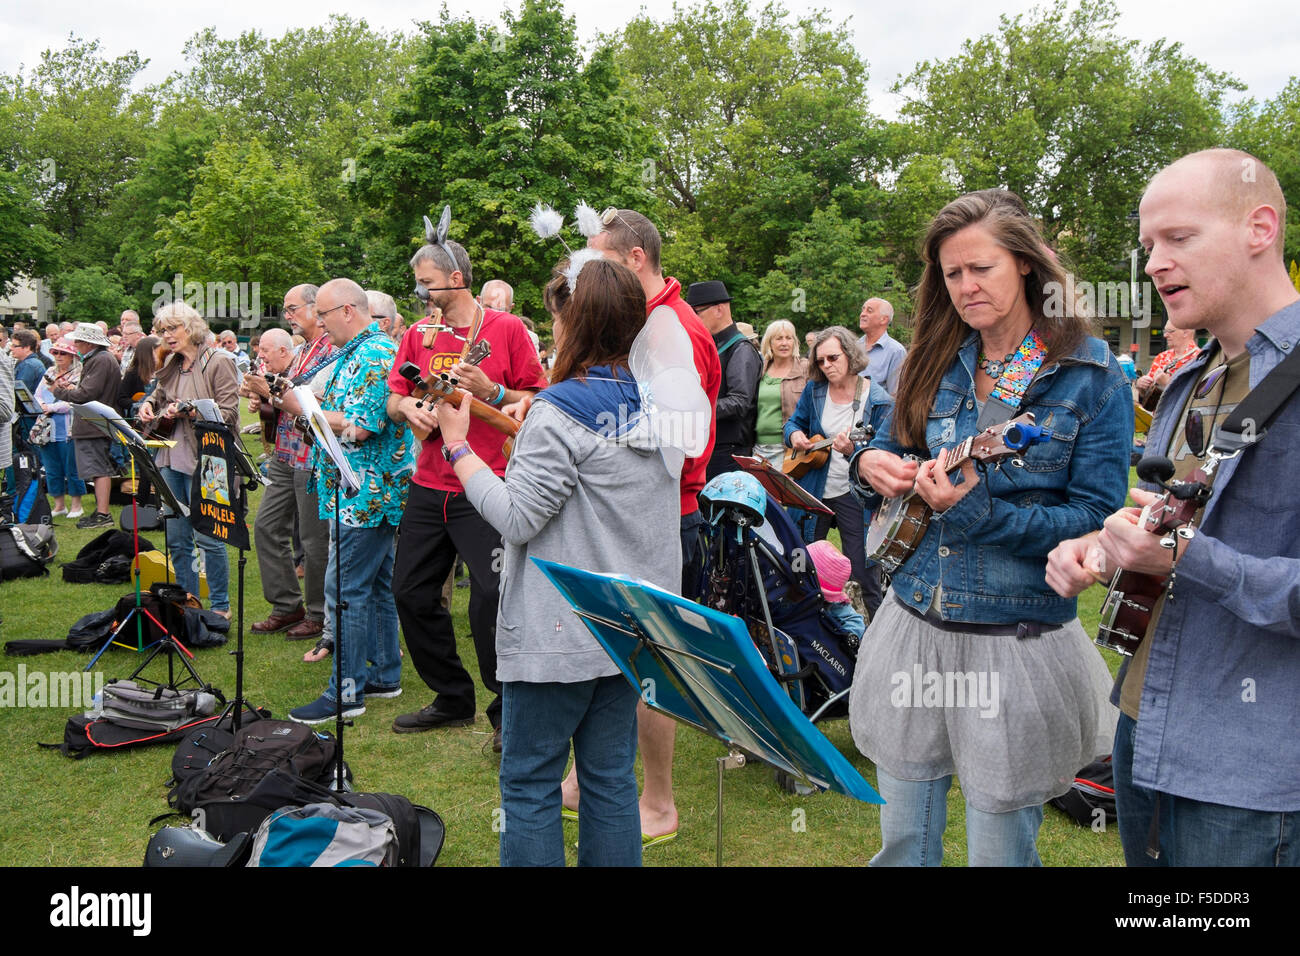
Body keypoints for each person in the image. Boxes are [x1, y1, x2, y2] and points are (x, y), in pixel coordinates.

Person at [848, 188, 1130, 866]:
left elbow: (1095, 518)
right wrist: (871, 462)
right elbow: (888, 446)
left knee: (999, 851)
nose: (967, 286)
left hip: (1014, 639)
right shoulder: (933, 359)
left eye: (983, 268)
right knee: (901, 842)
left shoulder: (1091, 375)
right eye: (953, 274)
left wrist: (979, 513)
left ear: (1026, 265)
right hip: (916, 620)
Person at [1046, 149, 1300, 867]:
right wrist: (1103, 545)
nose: (1154, 263)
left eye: (1179, 238)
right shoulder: (1191, 377)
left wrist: (1189, 559)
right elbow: (1169, 521)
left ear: (1259, 228)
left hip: (1249, 767)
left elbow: (1192, 551)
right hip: (1141, 723)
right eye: (1148, 245)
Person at [443, 257, 680, 865]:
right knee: (608, 781)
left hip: (560, 633)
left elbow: (518, 516)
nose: (551, 335)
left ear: (575, 326)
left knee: (529, 784)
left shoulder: (558, 412)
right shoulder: (660, 404)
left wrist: (458, 446)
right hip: (626, 625)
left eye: (557, 322)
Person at [567, 206, 721, 843]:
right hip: (613, 513)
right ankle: (587, 777)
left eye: (598, 261)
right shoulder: (638, 320)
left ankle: (658, 800)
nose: (587, 276)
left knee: (650, 660)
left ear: (634, 260)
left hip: (663, 517)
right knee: (600, 647)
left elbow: (686, 442)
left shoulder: (678, 329)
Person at [386, 226, 549, 748]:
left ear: (457, 279)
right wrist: (408, 407)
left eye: (427, 283)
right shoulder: (419, 334)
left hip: (487, 481)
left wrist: (495, 390)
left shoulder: (506, 330)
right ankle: (452, 698)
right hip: (430, 481)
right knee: (409, 590)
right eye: (416, 284)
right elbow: (394, 396)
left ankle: (508, 709)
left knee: (491, 596)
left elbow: (538, 401)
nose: (420, 293)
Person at [287, 279, 414, 724]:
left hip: (368, 492)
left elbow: (362, 425)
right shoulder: (356, 351)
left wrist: (307, 411)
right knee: (375, 584)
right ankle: (384, 674)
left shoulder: (375, 353)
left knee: (345, 589)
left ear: (346, 310)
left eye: (322, 314)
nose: (318, 324)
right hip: (359, 488)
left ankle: (346, 691)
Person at [136, 303, 240, 617]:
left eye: (173, 329)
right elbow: (159, 393)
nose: (167, 336)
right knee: (177, 537)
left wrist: (193, 411)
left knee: (208, 537)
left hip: (208, 460)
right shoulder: (170, 362)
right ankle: (187, 601)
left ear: (191, 328)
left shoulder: (219, 361)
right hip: (169, 457)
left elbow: (229, 413)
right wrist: (148, 405)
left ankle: (220, 606)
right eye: (162, 331)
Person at [243, 288, 335, 642]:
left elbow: (309, 402)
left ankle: (317, 612)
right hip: (284, 453)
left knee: (314, 540)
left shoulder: (330, 349)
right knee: (266, 528)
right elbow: (286, 392)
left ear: (315, 308)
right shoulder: (302, 350)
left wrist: (269, 394)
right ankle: (286, 605)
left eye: (292, 308)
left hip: (312, 456)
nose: (288, 315)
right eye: (285, 309)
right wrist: (264, 395)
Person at [785, 326, 891, 618]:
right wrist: (794, 436)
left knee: (863, 570)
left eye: (832, 358)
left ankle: (871, 634)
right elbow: (793, 423)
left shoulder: (878, 399)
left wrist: (852, 452)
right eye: (820, 361)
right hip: (815, 488)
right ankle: (811, 625)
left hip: (854, 495)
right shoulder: (815, 391)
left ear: (850, 354)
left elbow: (885, 452)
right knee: (804, 562)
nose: (826, 366)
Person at [687, 281, 762, 481]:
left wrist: (694, 409)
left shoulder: (741, 349)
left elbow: (739, 401)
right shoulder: (710, 344)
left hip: (728, 453)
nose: (692, 319)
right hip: (708, 446)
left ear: (719, 309)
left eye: (697, 313)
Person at [50, 323, 122, 528]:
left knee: (99, 469)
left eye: (78, 341)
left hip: (94, 424)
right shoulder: (101, 359)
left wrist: (58, 391)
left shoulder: (100, 360)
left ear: (89, 343)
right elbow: (88, 391)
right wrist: (72, 389)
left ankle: (103, 514)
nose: (75, 345)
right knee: (98, 469)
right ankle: (101, 512)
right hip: (95, 423)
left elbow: (86, 394)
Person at [34, 339, 90, 518]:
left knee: (71, 467)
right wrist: (42, 405)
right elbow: (37, 394)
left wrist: (51, 407)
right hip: (47, 428)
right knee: (51, 467)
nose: (58, 356)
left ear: (73, 355)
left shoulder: (79, 374)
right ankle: (59, 505)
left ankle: (76, 505)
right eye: (55, 352)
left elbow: (75, 400)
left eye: (63, 353)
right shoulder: (49, 372)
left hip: (69, 427)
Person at [753, 320, 809, 467]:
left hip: (789, 450)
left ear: (795, 342)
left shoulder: (805, 368)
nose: (784, 343)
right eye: (779, 338)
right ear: (769, 343)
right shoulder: (761, 368)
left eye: (788, 338)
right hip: (758, 448)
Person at [1134, 324, 1199, 409]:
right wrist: (1141, 387)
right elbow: (1149, 399)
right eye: (1165, 331)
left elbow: (1198, 398)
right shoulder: (1162, 357)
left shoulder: (1199, 359)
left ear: (1185, 332)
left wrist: (1167, 384)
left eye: (1170, 331)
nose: (1165, 335)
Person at [857, 297, 907, 396]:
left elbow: (895, 395)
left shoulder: (896, 351)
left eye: (869, 311)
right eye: (863, 309)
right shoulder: (853, 346)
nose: (862, 314)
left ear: (884, 319)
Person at [118, 335, 159, 415]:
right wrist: (139, 404)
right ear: (147, 354)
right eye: (157, 351)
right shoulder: (133, 373)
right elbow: (121, 399)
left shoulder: (163, 371)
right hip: (138, 418)